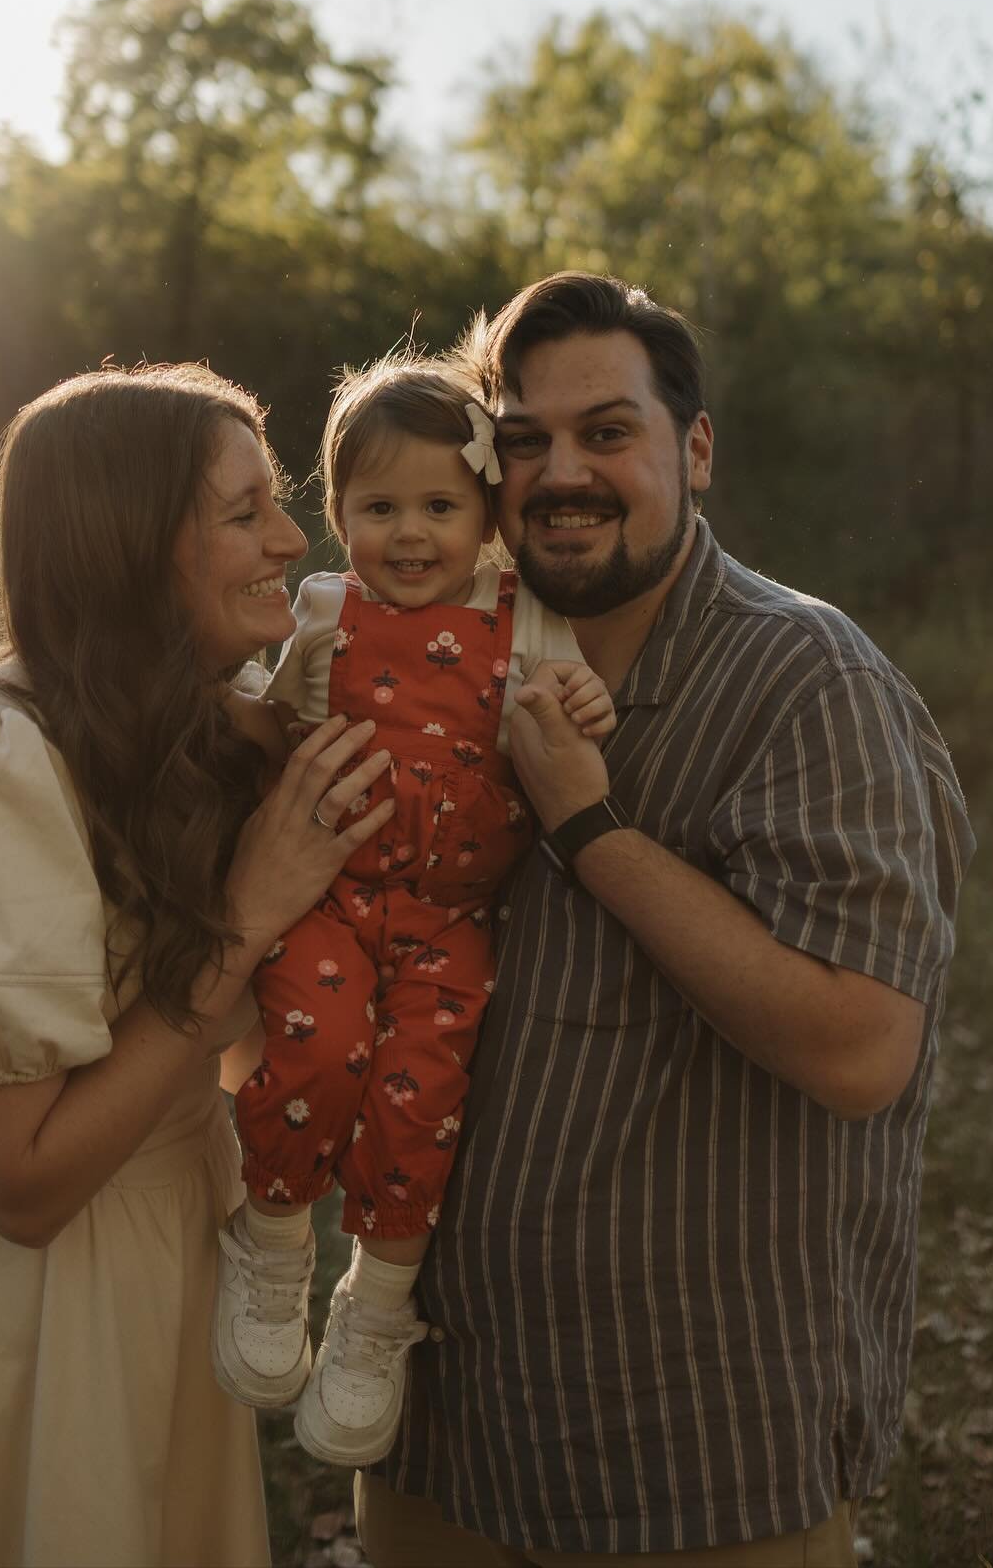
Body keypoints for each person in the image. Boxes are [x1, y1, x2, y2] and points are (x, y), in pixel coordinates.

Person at [359, 274, 976, 1568]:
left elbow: (862, 1049)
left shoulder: (809, 681)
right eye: (523, 439)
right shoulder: (454, 651)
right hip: (451, 1430)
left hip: (700, 1456)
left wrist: (594, 829)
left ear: (694, 447)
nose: (562, 471)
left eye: (608, 430)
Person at [0, 362, 399, 1568]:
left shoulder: (196, 725)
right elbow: (25, 1183)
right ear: (130, 544)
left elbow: (251, 1059)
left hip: (154, 1251)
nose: (288, 537)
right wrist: (248, 911)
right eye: (242, 511)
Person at [213, 352, 614, 1471]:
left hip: (451, 913)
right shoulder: (327, 613)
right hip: (331, 891)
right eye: (378, 506)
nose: (409, 532)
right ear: (337, 514)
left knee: (421, 1094)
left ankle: (376, 1306)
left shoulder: (521, 614)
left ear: (486, 514)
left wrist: (583, 699)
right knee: (315, 1046)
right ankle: (276, 1244)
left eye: (440, 505)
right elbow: (267, 714)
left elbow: (577, 702)